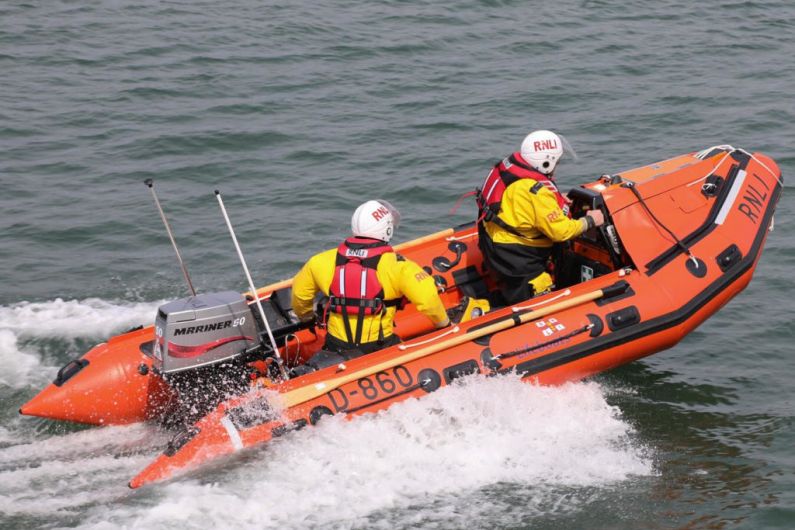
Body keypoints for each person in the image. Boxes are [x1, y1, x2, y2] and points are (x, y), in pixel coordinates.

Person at [291, 200, 449, 371]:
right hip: (379, 346)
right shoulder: (398, 265)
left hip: (336, 345)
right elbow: (428, 299)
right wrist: (444, 325)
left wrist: (307, 318)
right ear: (387, 229)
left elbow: (300, 295)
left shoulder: (320, 261)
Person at [476, 130, 605, 305]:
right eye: (556, 162)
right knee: (533, 301)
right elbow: (561, 232)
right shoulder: (536, 191)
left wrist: (556, 202)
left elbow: (520, 201)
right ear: (546, 162)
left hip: (493, 245)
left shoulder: (509, 171)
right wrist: (591, 220)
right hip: (518, 259)